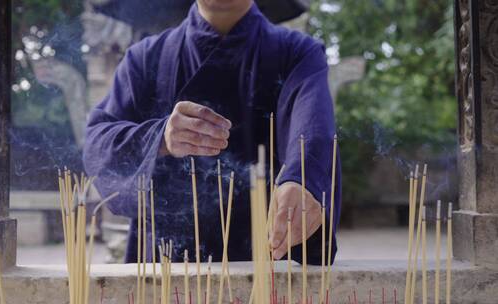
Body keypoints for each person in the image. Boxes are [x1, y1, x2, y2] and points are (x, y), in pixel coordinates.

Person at [83, 0, 341, 265]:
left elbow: (312, 128)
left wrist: (301, 180)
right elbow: (98, 141)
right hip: (165, 259)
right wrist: (159, 137)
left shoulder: (297, 52)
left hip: (265, 251)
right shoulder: (145, 57)